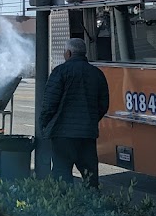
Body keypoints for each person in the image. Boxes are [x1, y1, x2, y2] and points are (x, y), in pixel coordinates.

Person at [40, 38, 110, 187]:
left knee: (62, 173)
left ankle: (66, 205)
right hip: (87, 134)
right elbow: (103, 104)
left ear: (69, 53)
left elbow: (49, 104)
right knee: (90, 175)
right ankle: (91, 205)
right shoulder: (97, 74)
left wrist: (44, 124)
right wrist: (90, 120)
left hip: (62, 134)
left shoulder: (60, 72)